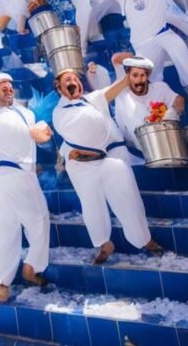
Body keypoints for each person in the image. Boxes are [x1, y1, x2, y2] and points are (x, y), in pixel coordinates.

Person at [51, 69, 164, 264]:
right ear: (59, 87)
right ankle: (103, 243)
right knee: (91, 203)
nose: (73, 81)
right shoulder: (60, 112)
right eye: (67, 79)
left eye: (76, 79)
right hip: (82, 166)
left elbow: (113, 89)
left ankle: (143, 239)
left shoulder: (91, 100)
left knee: (128, 196)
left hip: (107, 157)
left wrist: (131, 75)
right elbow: (74, 132)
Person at [0, 74, 53, 302]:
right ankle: (31, 268)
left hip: (8, 176)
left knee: (7, 229)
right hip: (15, 176)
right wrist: (40, 135)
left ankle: (2, 284)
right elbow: (35, 136)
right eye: (2, 87)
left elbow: (29, 139)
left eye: (10, 86)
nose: (8, 89)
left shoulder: (25, 113)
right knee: (39, 220)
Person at [112, 56, 183, 164]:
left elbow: (179, 100)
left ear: (148, 76)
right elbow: (115, 59)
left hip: (165, 142)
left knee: (170, 114)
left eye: (143, 75)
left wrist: (169, 114)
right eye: (135, 75)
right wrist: (136, 59)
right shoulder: (122, 92)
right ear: (127, 77)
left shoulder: (160, 87)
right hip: (135, 149)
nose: (139, 80)